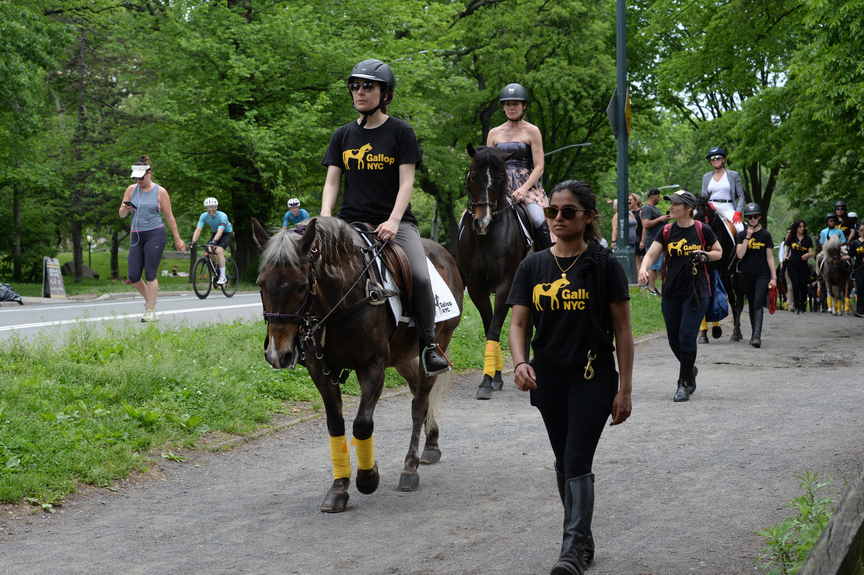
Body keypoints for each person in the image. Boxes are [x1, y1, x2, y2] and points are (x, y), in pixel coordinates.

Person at [508, 180, 633, 575]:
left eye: (568, 211)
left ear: (588, 217)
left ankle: (572, 551)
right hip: (548, 379)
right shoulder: (532, 266)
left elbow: (623, 331)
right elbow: (519, 323)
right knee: (564, 461)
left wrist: (625, 389)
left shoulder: (604, 265)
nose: (558, 218)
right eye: (552, 211)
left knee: (577, 457)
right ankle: (583, 540)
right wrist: (519, 363)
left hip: (592, 378)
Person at [321, 58, 449, 376]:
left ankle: (428, 345)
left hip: (396, 223)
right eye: (355, 86)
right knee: (316, 271)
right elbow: (332, 181)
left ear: (386, 94)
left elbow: (407, 182)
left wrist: (393, 220)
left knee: (419, 275)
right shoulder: (342, 135)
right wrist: (325, 217)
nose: (360, 92)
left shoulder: (401, 132)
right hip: (350, 223)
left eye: (368, 86)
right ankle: (317, 344)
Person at [639, 190, 722, 402]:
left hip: (697, 292)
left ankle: (683, 383)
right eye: (672, 203)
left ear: (688, 208)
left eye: (676, 204)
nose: (671, 207)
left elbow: (718, 252)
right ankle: (689, 368)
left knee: (686, 336)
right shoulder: (667, 231)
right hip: (671, 292)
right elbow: (651, 254)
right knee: (674, 338)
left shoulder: (702, 229)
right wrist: (644, 268)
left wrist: (705, 255)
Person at [119, 155, 185, 322]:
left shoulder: (160, 192)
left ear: (149, 174)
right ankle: (150, 301)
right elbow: (121, 214)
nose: (139, 181)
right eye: (136, 178)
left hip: (155, 233)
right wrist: (126, 208)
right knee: (133, 276)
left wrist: (177, 239)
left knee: (150, 273)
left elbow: (169, 217)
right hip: (136, 234)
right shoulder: (131, 190)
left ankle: (150, 310)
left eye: (141, 178)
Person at [486, 82, 550, 250]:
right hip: (499, 186)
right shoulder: (493, 133)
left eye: (515, 104)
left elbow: (539, 166)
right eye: (507, 104)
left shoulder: (532, 131)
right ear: (503, 107)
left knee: (538, 218)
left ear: (524, 106)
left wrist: (524, 189)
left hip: (527, 186)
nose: (511, 108)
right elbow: (488, 165)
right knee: (471, 216)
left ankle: (546, 258)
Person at [735, 203, 776, 347]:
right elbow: (740, 255)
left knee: (758, 303)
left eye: (755, 216)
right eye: (750, 217)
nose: (753, 219)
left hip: (762, 274)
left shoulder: (765, 235)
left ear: (759, 217)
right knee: (752, 303)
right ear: (746, 218)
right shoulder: (741, 235)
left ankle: (756, 336)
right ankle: (754, 333)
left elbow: (770, 257)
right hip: (746, 275)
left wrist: (774, 277)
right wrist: (747, 237)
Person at [700, 146, 745, 242]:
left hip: (728, 208)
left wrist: (738, 212)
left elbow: (741, 196)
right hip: (711, 208)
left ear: (723, 159)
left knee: (740, 228)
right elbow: (703, 197)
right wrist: (707, 205)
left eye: (718, 158)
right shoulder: (706, 177)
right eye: (712, 159)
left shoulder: (733, 175)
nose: (715, 160)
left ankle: (739, 251)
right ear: (710, 161)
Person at [191, 197, 233, 285]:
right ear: (206, 208)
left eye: (212, 207)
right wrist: (193, 241)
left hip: (226, 233)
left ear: (216, 207)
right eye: (208, 208)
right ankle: (218, 268)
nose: (210, 210)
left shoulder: (222, 216)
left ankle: (223, 276)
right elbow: (198, 229)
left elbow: (220, 231)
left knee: (218, 250)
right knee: (209, 250)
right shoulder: (203, 216)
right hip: (215, 233)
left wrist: (214, 241)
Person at [640, 188, 670, 295]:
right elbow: (646, 224)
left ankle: (654, 288)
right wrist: (660, 219)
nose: (659, 198)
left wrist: (665, 219)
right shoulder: (647, 208)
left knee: (659, 266)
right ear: (653, 196)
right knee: (653, 265)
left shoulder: (654, 208)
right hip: (652, 240)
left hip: (660, 240)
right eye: (658, 196)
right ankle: (651, 288)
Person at [784, 220, 814, 314]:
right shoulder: (791, 237)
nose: (802, 228)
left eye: (803, 226)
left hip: (803, 265)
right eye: (800, 226)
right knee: (795, 284)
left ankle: (803, 305)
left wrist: (807, 255)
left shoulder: (807, 239)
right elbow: (786, 248)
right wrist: (785, 255)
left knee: (803, 285)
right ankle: (796, 305)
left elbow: (812, 252)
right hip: (792, 264)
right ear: (796, 228)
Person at [849, 222, 864, 317]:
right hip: (859, 268)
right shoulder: (855, 243)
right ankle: (859, 310)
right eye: (862, 230)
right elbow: (851, 255)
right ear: (858, 231)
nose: (863, 232)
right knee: (860, 288)